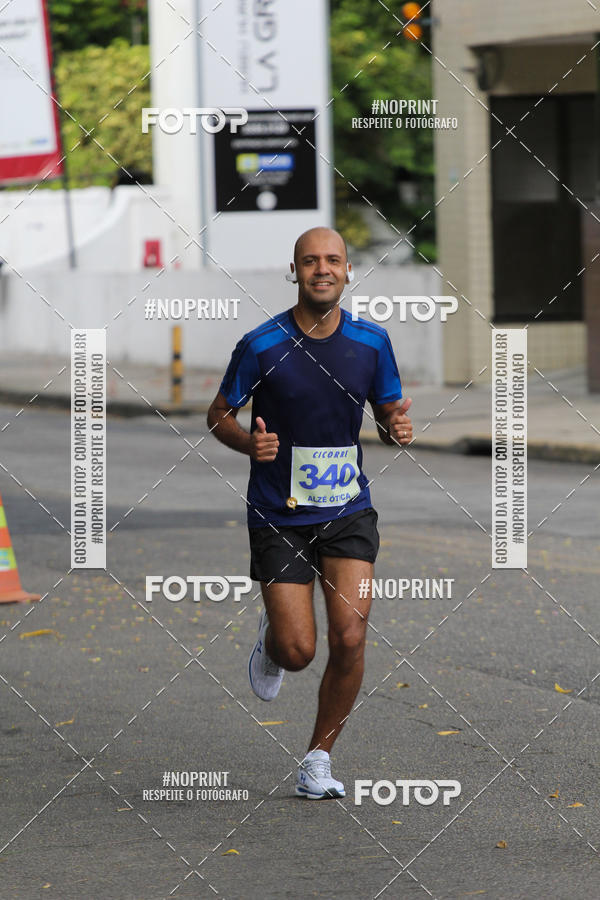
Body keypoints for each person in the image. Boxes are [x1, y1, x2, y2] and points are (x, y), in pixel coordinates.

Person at [207, 227, 412, 799]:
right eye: (310, 260)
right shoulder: (262, 343)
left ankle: (318, 759)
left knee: (349, 635)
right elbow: (218, 413)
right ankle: (273, 639)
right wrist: (248, 444)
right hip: (278, 510)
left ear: (348, 271)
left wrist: (396, 429)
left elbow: (390, 412)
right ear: (294, 271)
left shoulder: (372, 342)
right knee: (299, 651)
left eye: (333, 260)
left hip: (347, 508)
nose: (322, 269)